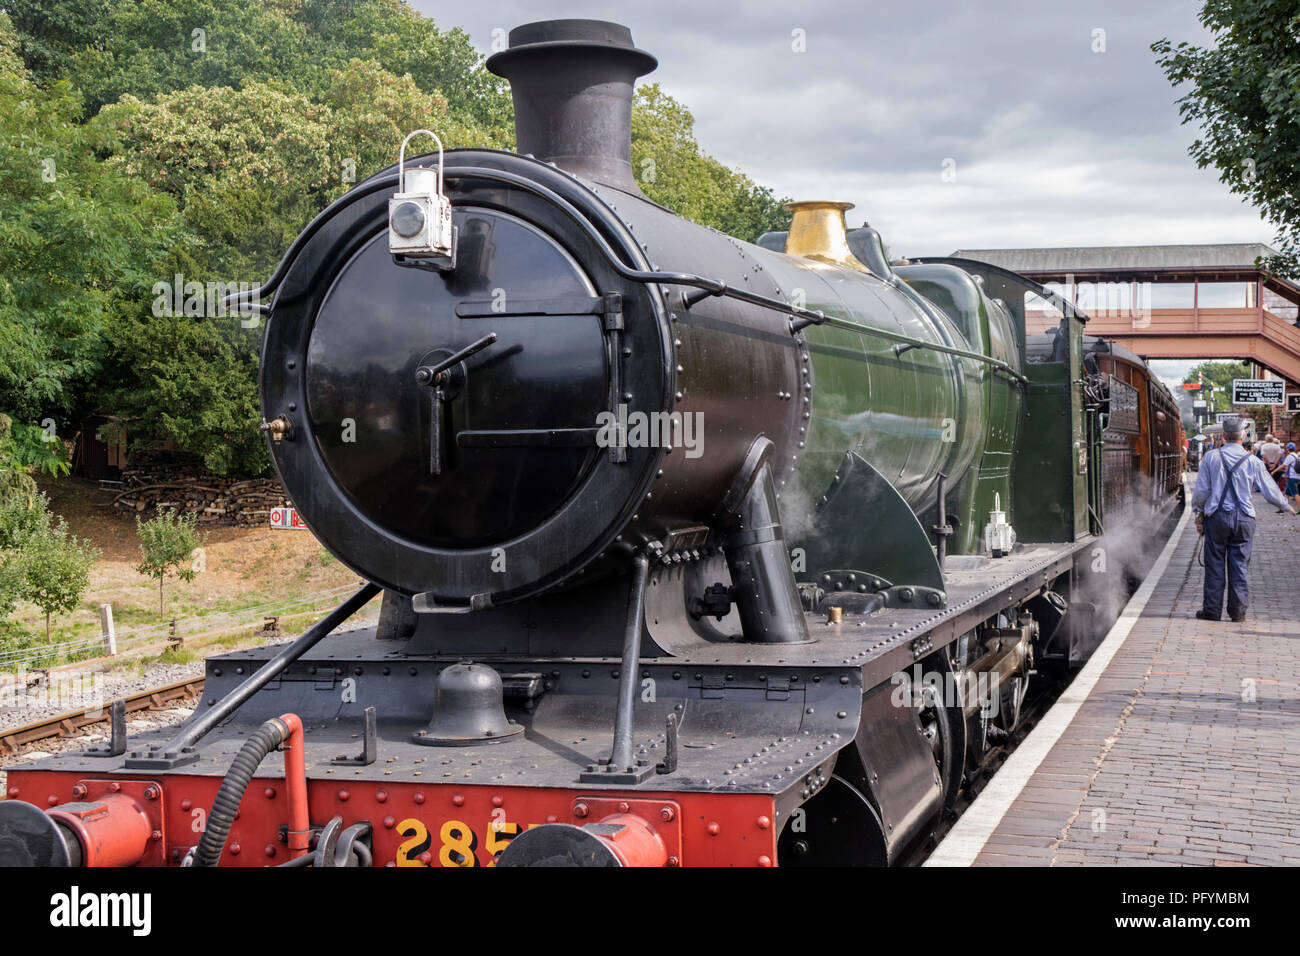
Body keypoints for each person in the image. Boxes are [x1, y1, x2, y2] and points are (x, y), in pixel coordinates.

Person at [1191, 417, 1295, 622]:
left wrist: (1198, 513)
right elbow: (1269, 489)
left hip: (1217, 518)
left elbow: (1202, 492)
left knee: (1215, 565)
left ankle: (1212, 611)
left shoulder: (1211, 458)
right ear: (1244, 436)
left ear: (1223, 436)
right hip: (1245, 519)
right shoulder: (1253, 461)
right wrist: (1285, 505)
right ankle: (1238, 612)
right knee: (1239, 565)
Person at [1284, 442, 1300, 514]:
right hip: (1296, 476)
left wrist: (1274, 471)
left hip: (1292, 477)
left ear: (1287, 449)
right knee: (1286, 493)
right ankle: (1284, 507)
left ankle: (1299, 508)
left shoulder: (1290, 456)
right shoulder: (1296, 455)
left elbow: (1284, 465)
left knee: (1295, 493)